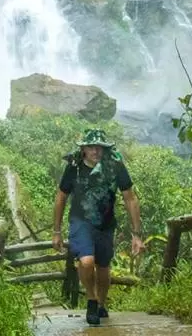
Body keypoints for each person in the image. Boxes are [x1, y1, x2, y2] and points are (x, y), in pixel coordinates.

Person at [51, 128, 145, 326]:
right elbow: (61, 197)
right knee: (86, 262)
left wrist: (136, 234)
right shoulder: (74, 167)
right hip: (80, 222)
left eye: (100, 147)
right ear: (83, 148)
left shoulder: (115, 166)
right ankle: (91, 300)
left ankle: (101, 303)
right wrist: (57, 231)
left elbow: (130, 198)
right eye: (91, 147)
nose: (95, 151)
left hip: (105, 224)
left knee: (103, 267)